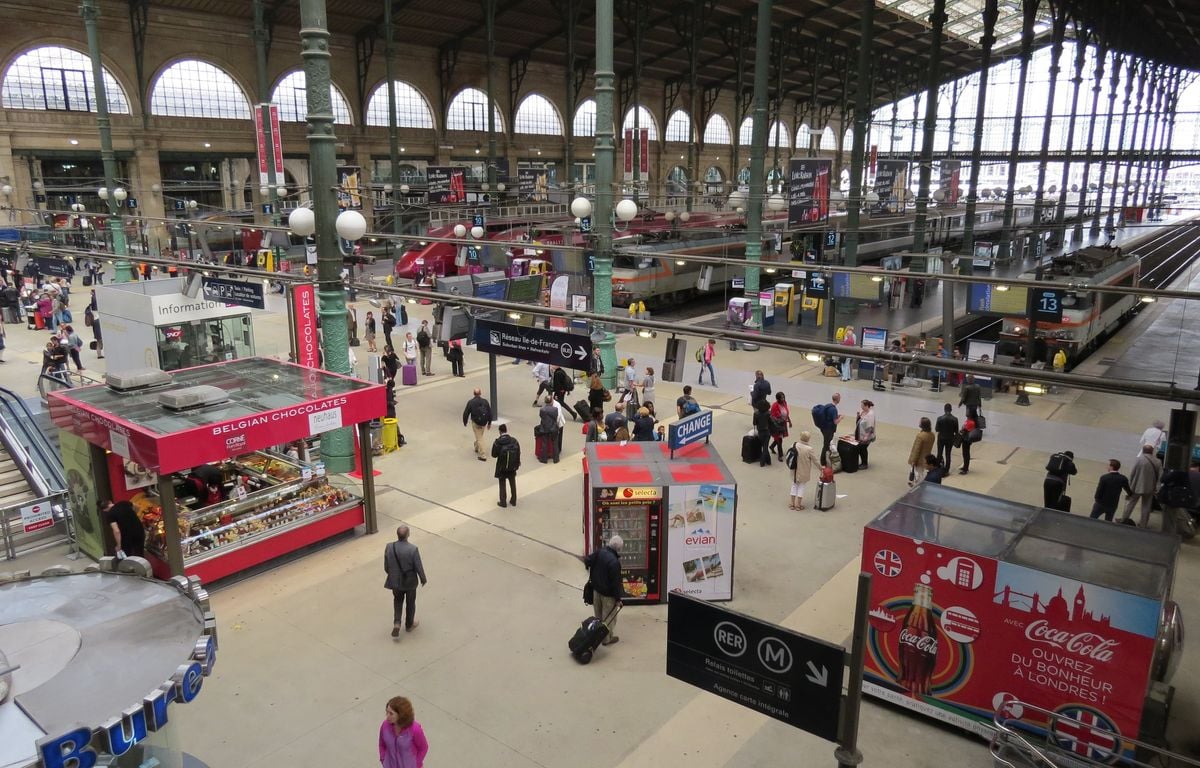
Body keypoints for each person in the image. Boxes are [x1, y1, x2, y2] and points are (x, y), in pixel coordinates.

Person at [383, 525, 428, 637]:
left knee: (397, 600)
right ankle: (409, 625)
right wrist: (423, 578)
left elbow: (386, 566)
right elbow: (418, 566)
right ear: (408, 535)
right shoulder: (413, 549)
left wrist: (392, 574)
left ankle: (397, 623)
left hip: (395, 581)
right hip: (410, 581)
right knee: (410, 602)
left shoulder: (389, 547)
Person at [584, 535, 625, 646]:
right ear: (619, 549)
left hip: (596, 591)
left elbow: (587, 560)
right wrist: (618, 599)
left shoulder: (600, 552)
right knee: (609, 618)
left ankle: (596, 635)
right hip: (608, 596)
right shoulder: (614, 563)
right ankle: (606, 640)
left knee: (598, 616)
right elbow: (615, 584)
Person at [379, 695, 429, 768]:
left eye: (391, 713)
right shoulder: (385, 725)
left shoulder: (415, 729)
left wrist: (416, 765)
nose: (387, 716)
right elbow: (382, 744)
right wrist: (383, 759)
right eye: (387, 712)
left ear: (401, 715)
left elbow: (423, 748)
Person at [1121, 444, 1163, 527]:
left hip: (1137, 486)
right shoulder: (1158, 461)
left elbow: (1132, 473)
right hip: (1150, 488)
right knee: (1146, 507)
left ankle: (1124, 519)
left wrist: (1129, 485)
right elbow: (1160, 476)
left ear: (1143, 451)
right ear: (1152, 452)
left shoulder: (1139, 459)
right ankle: (1143, 524)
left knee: (1131, 504)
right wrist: (1157, 488)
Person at [490, 423, 521, 506]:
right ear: (506, 430)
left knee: (502, 483)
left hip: (502, 467)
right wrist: (517, 464)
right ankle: (513, 500)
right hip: (512, 466)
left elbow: (493, 455)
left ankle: (503, 501)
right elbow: (518, 453)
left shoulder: (498, 442)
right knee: (512, 482)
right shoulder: (514, 441)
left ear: (500, 431)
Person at [462, 388, 492, 461]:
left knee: (480, 438)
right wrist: (489, 423)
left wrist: (465, 422)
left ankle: (483, 455)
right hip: (484, 423)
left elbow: (466, 413)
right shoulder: (485, 401)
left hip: (476, 423)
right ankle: (476, 446)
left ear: (474, 393)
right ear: (480, 393)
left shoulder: (471, 402)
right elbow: (489, 412)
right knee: (479, 436)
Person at [789, 431, 816, 510]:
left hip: (794, 469)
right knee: (801, 487)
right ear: (808, 439)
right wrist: (821, 468)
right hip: (804, 470)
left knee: (794, 485)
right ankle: (798, 505)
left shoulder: (794, 445)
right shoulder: (809, 449)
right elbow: (815, 460)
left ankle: (792, 504)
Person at [816, 393, 842, 467]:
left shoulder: (828, 405)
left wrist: (837, 416)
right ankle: (823, 461)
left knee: (826, 443)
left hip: (824, 428)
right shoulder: (834, 409)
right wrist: (840, 418)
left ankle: (825, 459)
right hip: (829, 429)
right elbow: (835, 422)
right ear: (837, 399)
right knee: (826, 444)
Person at [908, 417, 935, 486]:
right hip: (926, 457)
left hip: (919, 459)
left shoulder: (920, 436)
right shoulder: (932, 435)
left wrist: (913, 461)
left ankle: (917, 486)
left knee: (918, 474)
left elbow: (916, 450)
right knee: (921, 473)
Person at [935, 403, 960, 472]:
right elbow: (956, 431)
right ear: (951, 410)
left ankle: (937, 467)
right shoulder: (955, 419)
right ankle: (947, 469)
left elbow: (937, 429)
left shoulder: (939, 418)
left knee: (939, 453)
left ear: (944, 409)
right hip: (950, 438)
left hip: (941, 438)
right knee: (948, 454)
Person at [768, 391, 791, 461]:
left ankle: (772, 446)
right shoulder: (775, 406)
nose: (783, 399)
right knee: (779, 440)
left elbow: (786, 413)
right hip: (776, 425)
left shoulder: (784, 403)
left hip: (783, 424)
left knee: (779, 439)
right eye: (781, 398)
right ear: (778, 399)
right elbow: (772, 417)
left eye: (783, 397)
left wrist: (789, 421)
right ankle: (780, 455)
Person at [538, 396, 562, 462]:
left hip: (544, 427)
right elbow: (557, 417)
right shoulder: (555, 409)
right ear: (551, 401)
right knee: (555, 443)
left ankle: (544, 459)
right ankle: (556, 459)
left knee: (544, 443)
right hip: (553, 427)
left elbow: (541, 416)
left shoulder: (542, 409)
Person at [855, 399, 876, 469]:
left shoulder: (871, 414)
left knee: (863, 448)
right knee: (861, 448)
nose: (861, 407)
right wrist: (858, 415)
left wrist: (866, 437)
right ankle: (863, 462)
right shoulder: (862, 411)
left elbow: (870, 427)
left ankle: (864, 463)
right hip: (861, 434)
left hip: (867, 436)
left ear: (867, 406)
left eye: (862, 405)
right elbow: (858, 421)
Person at [753, 399, 774, 467]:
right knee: (765, 447)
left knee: (764, 446)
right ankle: (766, 461)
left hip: (760, 432)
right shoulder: (768, 413)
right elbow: (771, 422)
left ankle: (765, 461)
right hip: (767, 432)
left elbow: (754, 423)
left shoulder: (756, 413)